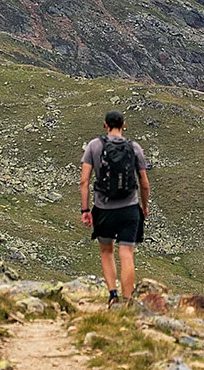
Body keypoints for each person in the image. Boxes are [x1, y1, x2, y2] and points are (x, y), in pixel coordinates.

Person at [80, 109, 151, 307]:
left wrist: (85, 210)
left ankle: (113, 295)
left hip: (103, 209)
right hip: (129, 207)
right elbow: (144, 182)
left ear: (105, 124)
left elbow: (84, 181)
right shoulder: (134, 147)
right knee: (127, 253)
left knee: (106, 251)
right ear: (124, 124)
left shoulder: (94, 146)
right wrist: (144, 207)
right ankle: (127, 300)